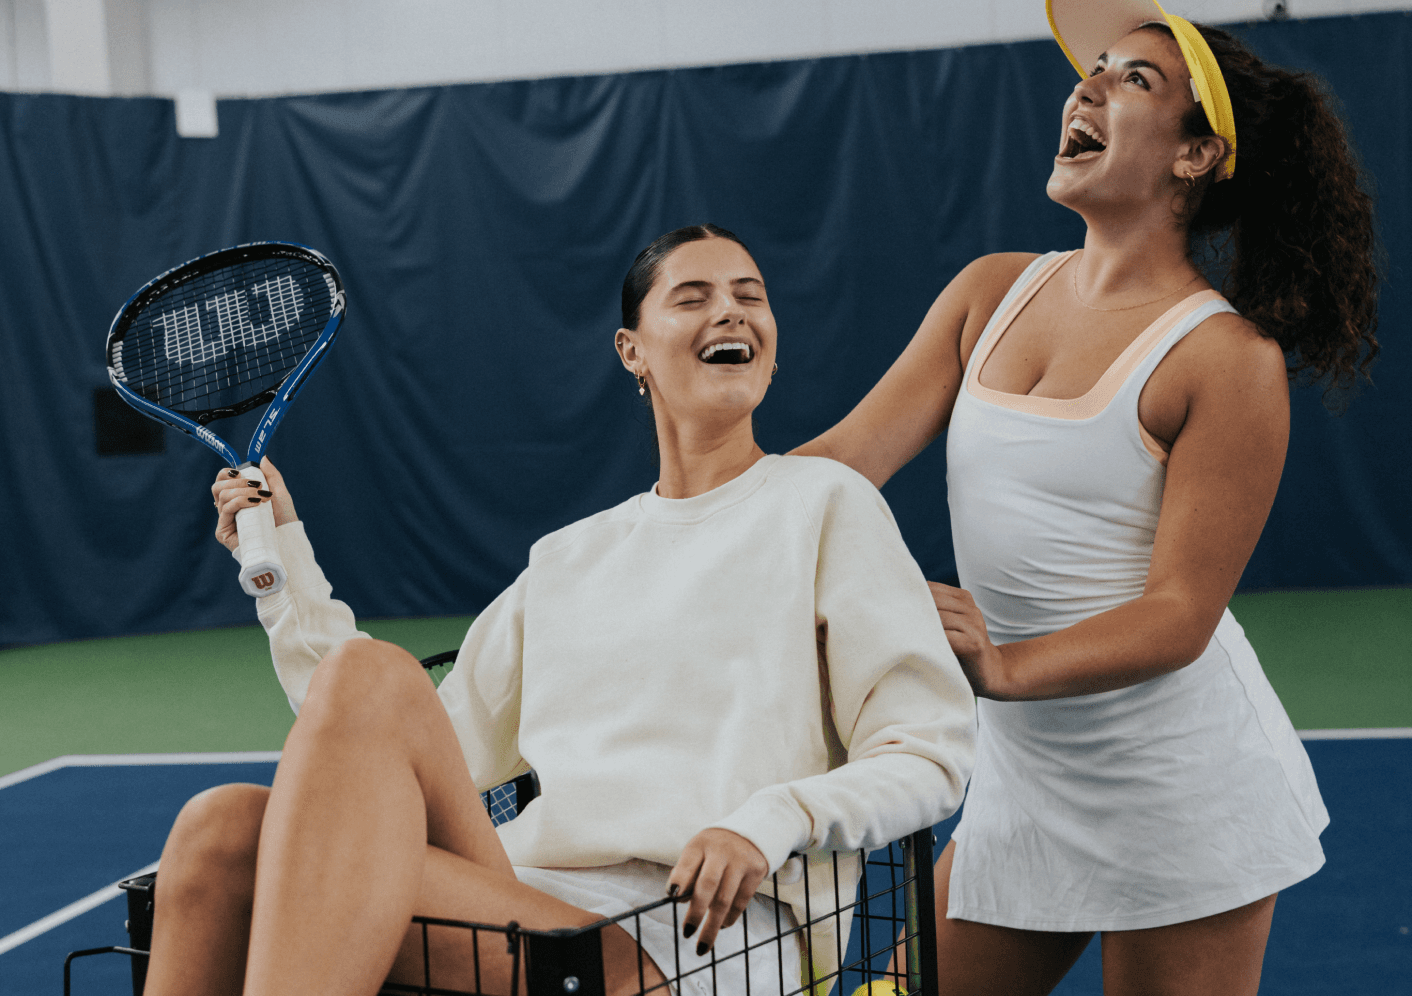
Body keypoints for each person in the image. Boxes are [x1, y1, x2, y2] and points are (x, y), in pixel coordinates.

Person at [143, 224, 977, 996]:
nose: (731, 310)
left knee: (359, 692)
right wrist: (283, 566)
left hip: (707, 937)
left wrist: (769, 820)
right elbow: (396, 740)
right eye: (693, 297)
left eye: (750, 295)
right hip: (529, 905)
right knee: (222, 829)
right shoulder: (570, 558)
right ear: (632, 351)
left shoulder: (826, 504)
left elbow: (931, 754)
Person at [794, 3, 1379, 994]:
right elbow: (841, 461)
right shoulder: (989, 291)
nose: (1088, 86)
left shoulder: (1224, 361)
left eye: (1133, 80)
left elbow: (1175, 614)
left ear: (1194, 155)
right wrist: (692, 518)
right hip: (1024, 785)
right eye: (1092, 70)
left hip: (1180, 797)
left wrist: (998, 665)